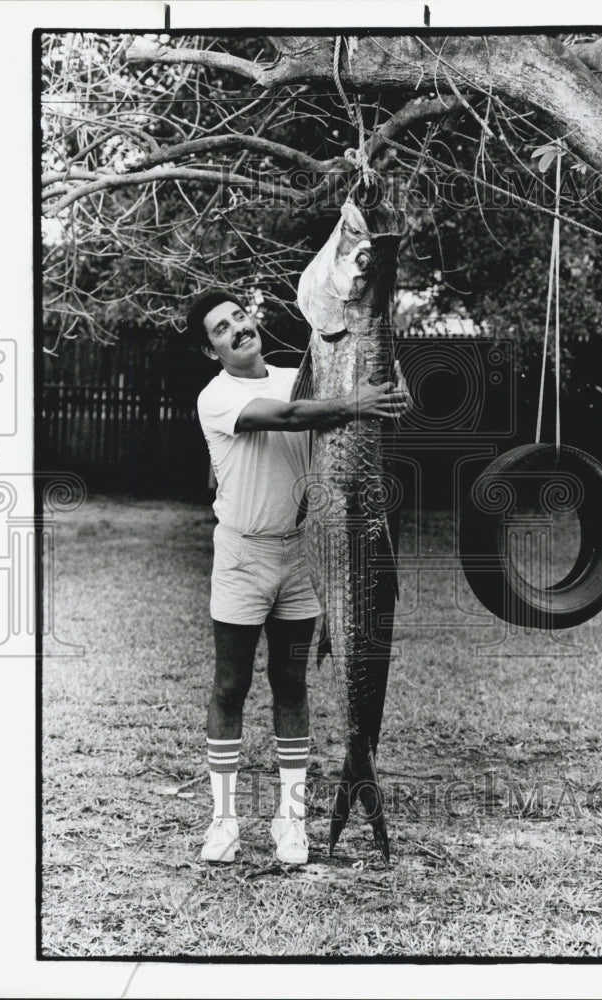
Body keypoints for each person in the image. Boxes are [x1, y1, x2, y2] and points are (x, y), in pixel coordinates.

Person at [190, 290, 409, 865]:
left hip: (300, 555)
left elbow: (340, 409)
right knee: (230, 686)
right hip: (241, 556)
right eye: (221, 329)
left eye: (240, 317)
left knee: (291, 686)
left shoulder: (298, 375)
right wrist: (355, 402)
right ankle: (224, 822)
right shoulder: (216, 397)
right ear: (211, 350)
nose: (238, 329)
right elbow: (288, 417)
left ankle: (291, 821)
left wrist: (385, 392)